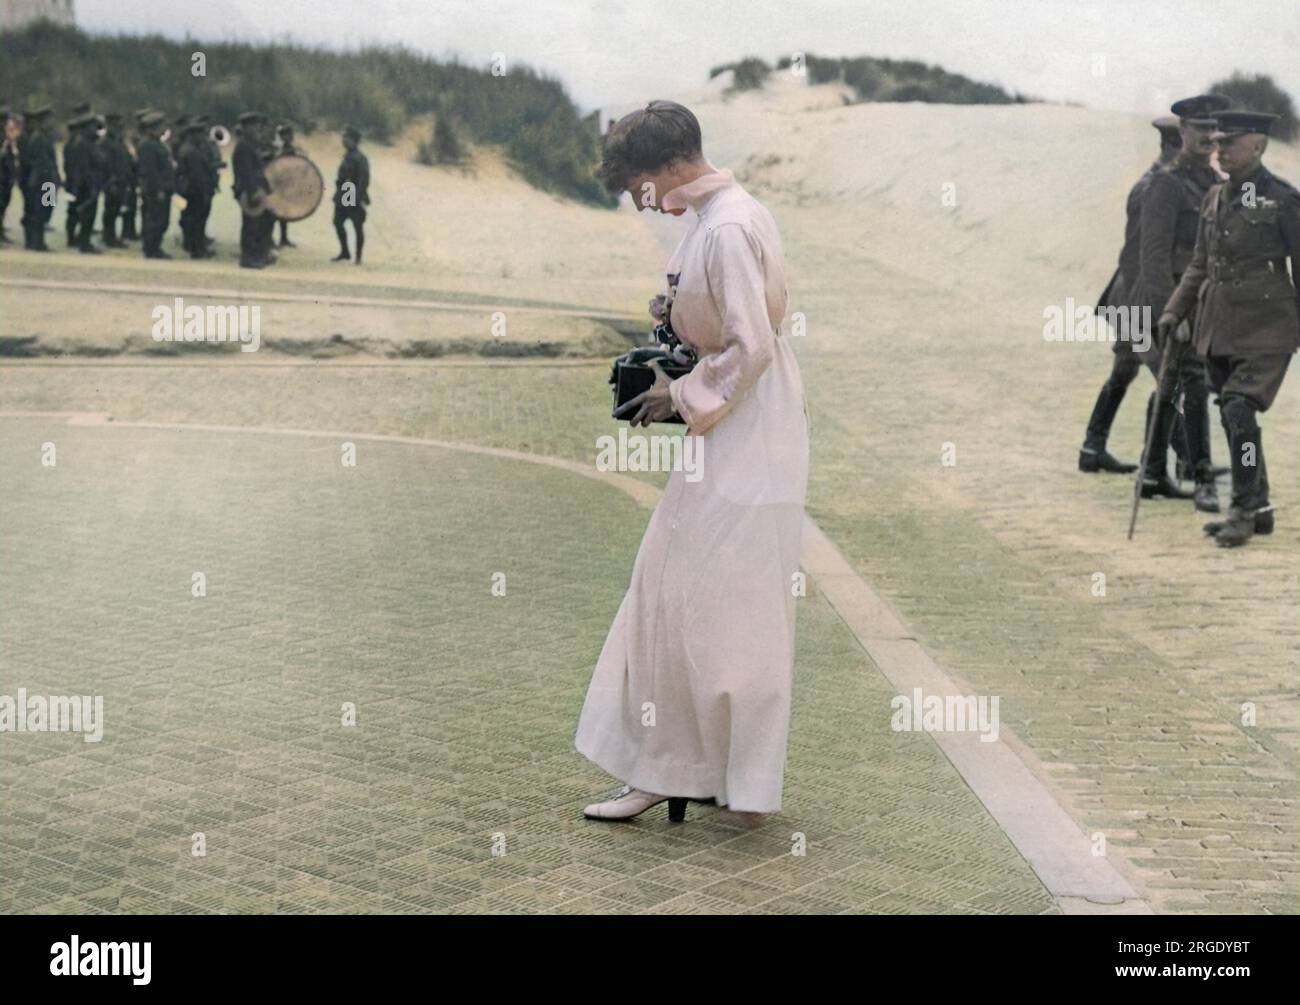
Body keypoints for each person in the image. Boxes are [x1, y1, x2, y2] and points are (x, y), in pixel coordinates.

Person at [575, 101, 809, 826]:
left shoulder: (730, 224)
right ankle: (683, 768)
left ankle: (724, 779)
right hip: (736, 426)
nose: (641, 201)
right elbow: (734, 324)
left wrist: (677, 394)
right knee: (679, 592)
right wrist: (673, 319)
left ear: (673, 167)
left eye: (641, 184)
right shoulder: (719, 218)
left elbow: (753, 346)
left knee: (728, 603)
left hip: (748, 430)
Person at [1157, 111, 1300, 547]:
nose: (1219, 150)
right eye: (1217, 142)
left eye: (1230, 143)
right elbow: (1200, 264)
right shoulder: (1215, 198)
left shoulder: (1282, 200)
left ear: (1257, 147)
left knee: (1238, 409)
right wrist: (1173, 311)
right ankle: (1259, 506)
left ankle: (1241, 508)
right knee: (1236, 417)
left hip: (1267, 325)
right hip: (1219, 324)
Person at [1129, 94, 1232, 508]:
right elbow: (1151, 257)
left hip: (1206, 300)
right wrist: (1169, 312)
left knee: (1172, 383)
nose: (1208, 136)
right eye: (1199, 129)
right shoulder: (1166, 185)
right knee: (1193, 381)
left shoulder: (1215, 185)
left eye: (1214, 129)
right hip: (1174, 300)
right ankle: (1202, 475)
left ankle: (1152, 471)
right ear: (1183, 132)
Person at [1080, 116, 1181, 474]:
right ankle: (1182, 459)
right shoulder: (1156, 188)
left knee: (1125, 370)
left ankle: (1092, 448)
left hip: (1131, 294)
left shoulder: (1156, 184)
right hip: (1139, 296)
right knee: (1169, 374)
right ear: (1174, 147)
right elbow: (1142, 253)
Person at [232, 111, 276, 268]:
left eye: (257, 126)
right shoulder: (243, 147)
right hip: (250, 192)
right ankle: (248, 258)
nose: (257, 129)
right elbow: (246, 173)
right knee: (251, 225)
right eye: (253, 126)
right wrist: (252, 192)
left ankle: (258, 255)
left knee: (258, 224)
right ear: (245, 128)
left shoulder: (250, 145)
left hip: (257, 190)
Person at [136, 110, 175, 259]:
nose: (164, 129)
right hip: (156, 189)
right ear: (152, 128)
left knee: (161, 219)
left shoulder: (157, 144)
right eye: (160, 126)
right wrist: (158, 189)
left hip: (163, 188)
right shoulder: (148, 145)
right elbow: (150, 171)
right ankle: (152, 248)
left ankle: (154, 247)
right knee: (155, 219)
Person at [19, 105, 58, 252]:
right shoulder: (39, 139)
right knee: (39, 211)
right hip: (43, 182)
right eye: (49, 121)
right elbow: (40, 163)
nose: (52, 124)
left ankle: (36, 241)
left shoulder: (45, 138)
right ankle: (36, 241)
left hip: (47, 181)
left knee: (46, 209)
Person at [63, 107, 102, 253]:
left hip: (88, 183)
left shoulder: (88, 142)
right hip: (85, 185)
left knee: (86, 214)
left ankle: (82, 240)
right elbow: (83, 167)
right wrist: (88, 185)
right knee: (85, 214)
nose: (95, 129)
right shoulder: (82, 143)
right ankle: (83, 243)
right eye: (92, 126)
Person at [175, 120, 214, 258]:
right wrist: (204, 192)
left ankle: (194, 246)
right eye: (201, 134)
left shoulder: (189, 149)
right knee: (197, 220)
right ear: (194, 135)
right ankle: (197, 249)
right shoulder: (192, 151)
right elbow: (197, 175)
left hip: (188, 190)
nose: (203, 137)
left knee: (191, 219)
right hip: (194, 191)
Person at [332, 125, 369, 264]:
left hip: (352, 193)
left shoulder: (360, 158)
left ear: (354, 140)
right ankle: (345, 252)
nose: (344, 140)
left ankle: (358, 257)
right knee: (337, 222)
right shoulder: (347, 156)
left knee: (357, 226)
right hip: (343, 192)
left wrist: (359, 197)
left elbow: (363, 179)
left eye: (346, 138)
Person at [98, 113, 131, 249]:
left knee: (115, 209)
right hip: (112, 181)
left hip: (120, 180)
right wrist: (109, 180)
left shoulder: (118, 142)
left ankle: (111, 236)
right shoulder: (105, 142)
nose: (119, 129)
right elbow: (105, 164)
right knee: (110, 210)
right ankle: (108, 236)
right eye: (116, 127)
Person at [274, 123, 298, 248]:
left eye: (290, 135)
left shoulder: (292, 149)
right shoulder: (280, 150)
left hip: (287, 183)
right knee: (276, 212)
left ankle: (284, 238)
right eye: (286, 135)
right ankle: (277, 239)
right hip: (279, 184)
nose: (289, 137)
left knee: (284, 212)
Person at [0, 111, 21, 244]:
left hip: (6, 179)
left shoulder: (7, 139)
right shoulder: (3, 139)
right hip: (1, 179)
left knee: (3, 205)